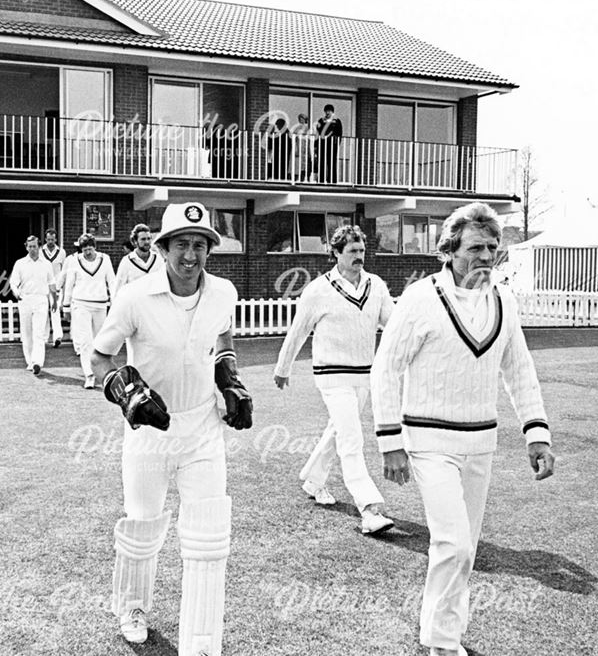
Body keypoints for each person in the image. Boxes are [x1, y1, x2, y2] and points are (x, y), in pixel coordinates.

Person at [370, 202, 555, 656]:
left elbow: (519, 370)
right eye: (476, 247)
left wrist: (536, 434)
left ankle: (445, 633)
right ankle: (440, 642)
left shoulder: (504, 302)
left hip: (481, 443)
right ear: (449, 250)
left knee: (465, 549)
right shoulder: (419, 299)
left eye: (493, 248)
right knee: (452, 544)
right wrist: (390, 441)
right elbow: (386, 369)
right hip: (429, 443)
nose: (487, 257)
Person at [90, 201, 252, 655]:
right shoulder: (135, 296)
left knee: (208, 536)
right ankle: (132, 607)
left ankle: (201, 642)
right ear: (163, 248)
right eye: (182, 244)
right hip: (150, 431)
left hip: (203, 428)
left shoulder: (223, 293)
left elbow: (223, 337)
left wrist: (229, 378)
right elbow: (100, 356)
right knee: (143, 526)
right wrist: (126, 389)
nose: (191, 255)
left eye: (200, 245)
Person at [273, 225, 395, 535]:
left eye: (362, 251)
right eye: (352, 251)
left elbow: (393, 325)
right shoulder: (318, 289)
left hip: (363, 374)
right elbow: (298, 330)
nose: (359, 256)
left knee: (338, 431)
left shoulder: (376, 285)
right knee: (352, 437)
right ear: (336, 253)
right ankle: (369, 510)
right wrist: (283, 367)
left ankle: (314, 480)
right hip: (331, 375)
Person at [62, 233, 116, 389]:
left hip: (100, 305)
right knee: (85, 341)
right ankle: (89, 375)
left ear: (95, 248)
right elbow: (69, 284)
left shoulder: (104, 259)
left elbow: (111, 281)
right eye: (84, 250)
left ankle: (101, 372)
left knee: (100, 341)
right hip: (81, 304)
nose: (87, 253)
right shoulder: (74, 261)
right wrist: (66, 306)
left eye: (90, 249)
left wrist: (115, 301)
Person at [9, 235, 58, 376]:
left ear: (39, 247)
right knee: (27, 333)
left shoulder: (46, 264)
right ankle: (30, 361)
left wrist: (54, 300)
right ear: (26, 247)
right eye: (29, 246)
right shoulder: (20, 263)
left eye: (35, 246)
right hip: (25, 299)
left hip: (41, 300)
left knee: (39, 333)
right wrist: (17, 293)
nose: (32, 249)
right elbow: (13, 282)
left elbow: (51, 283)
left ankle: (38, 362)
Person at [115, 224, 162, 292]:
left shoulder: (159, 259)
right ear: (135, 241)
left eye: (149, 238)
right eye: (143, 239)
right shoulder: (126, 261)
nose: (147, 242)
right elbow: (118, 289)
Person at [40, 228, 66, 347]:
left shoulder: (61, 252)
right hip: (43, 285)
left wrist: (61, 284)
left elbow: (64, 270)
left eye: (53, 239)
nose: (51, 241)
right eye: (48, 239)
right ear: (45, 239)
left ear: (56, 239)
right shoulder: (40, 251)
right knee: (44, 311)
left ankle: (57, 336)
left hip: (56, 286)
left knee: (55, 311)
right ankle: (44, 338)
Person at [314, 104, 343, 185]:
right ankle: (321, 180)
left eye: (329, 111)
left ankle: (332, 181)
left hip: (332, 145)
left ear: (332, 112)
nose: (327, 112)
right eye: (326, 111)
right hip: (322, 145)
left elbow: (339, 134)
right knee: (321, 162)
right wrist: (315, 145)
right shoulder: (321, 120)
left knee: (332, 162)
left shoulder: (337, 121)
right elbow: (317, 133)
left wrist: (337, 144)